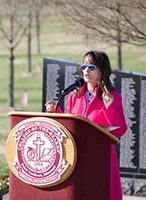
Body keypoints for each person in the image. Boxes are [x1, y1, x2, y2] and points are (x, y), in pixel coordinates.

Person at [45, 50, 127, 200]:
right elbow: (71, 124)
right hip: (77, 154)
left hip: (100, 157)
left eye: (91, 67)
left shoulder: (113, 96)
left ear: (102, 70)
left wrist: (109, 108)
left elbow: (120, 130)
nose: (86, 71)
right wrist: (55, 111)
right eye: (83, 66)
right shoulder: (74, 96)